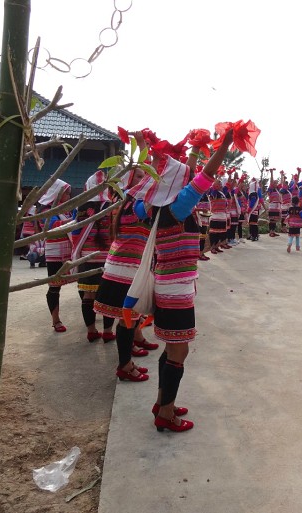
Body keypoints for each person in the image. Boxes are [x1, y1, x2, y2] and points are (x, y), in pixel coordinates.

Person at [126, 128, 234, 432]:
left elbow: (176, 179)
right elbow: (205, 177)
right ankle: (167, 412)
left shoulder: (148, 208)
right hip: (176, 291)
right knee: (179, 351)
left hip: (165, 284)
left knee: (171, 347)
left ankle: (162, 401)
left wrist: (181, 151)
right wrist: (224, 144)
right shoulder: (179, 207)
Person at [94, 151, 156, 383]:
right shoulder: (135, 208)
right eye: (139, 176)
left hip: (124, 268)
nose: (144, 179)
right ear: (130, 183)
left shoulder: (128, 206)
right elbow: (155, 185)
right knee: (127, 321)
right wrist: (145, 150)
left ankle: (126, 362)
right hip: (126, 271)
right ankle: (124, 366)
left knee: (128, 320)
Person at [71, 171, 115, 343]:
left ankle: (91, 331)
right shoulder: (111, 207)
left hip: (86, 258)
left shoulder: (81, 207)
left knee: (88, 296)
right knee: (108, 298)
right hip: (107, 259)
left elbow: (76, 232)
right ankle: (108, 332)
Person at [38, 179, 74, 332]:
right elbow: (52, 227)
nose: (69, 195)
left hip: (71, 250)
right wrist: (76, 220)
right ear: (58, 193)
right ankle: (56, 320)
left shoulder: (68, 209)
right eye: (67, 192)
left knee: (83, 281)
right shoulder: (47, 211)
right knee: (54, 286)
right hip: (55, 252)